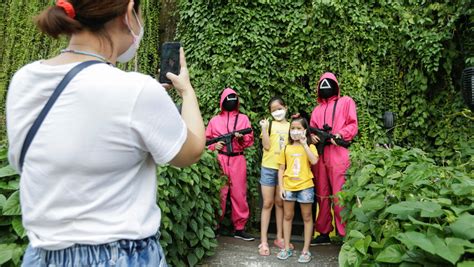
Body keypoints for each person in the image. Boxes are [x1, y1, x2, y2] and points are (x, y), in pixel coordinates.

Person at [6, 0, 205, 266]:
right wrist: (187, 91)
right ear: (128, 12)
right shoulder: (137, 90)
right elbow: (190, 151)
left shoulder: (24, 80)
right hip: (118, 256)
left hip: (41, 255)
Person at [309, 72, 358, 245]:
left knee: (340, 195)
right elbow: (312, 131)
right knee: (322, 194)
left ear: (336, 85)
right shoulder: (316, 110)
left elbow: (353, 125)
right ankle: (323, 232)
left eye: (329, 83)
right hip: (321, 155)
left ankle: (344, 234)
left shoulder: (346, 102)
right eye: (322, 84)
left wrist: (339, 134)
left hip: (339, 154)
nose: (326, 87)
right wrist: (312, 138)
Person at [205, 88, 255, 241]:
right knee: (219, 194)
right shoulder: (214, 120)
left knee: (239, 194)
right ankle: (215, 227)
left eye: (233, 98)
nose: (230, 101)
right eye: (228, 98)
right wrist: (215, 147)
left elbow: (249, 140)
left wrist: (240, 139)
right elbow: (206, 141)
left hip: (237, 159)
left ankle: (239, 229)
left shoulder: (243, 119)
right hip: (219, 159)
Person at [276, 115, 318, 263]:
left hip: (306, 186)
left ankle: (306, 250)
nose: (295, 131)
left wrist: (305, 144)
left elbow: (314, 161)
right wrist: (281, 187)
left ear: (305, 130)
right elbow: (281, 169)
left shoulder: (310, 146)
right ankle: (286, 247)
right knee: (287, 216)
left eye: (298, 128)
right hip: (288, 186)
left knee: (307, 217)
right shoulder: (286, 147)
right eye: (292, 128)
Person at [257, 96, 293, 256]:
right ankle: (263, 241)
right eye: (273, 110)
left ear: (285, 108)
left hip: (284, 169)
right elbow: (265, 146)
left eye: (279, 108)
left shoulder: (292, 127)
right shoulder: (269, 125)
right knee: (267, 203)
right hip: (268, 167)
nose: (277, 112)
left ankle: (280, 238)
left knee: (280, 203)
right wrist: (264, 129)